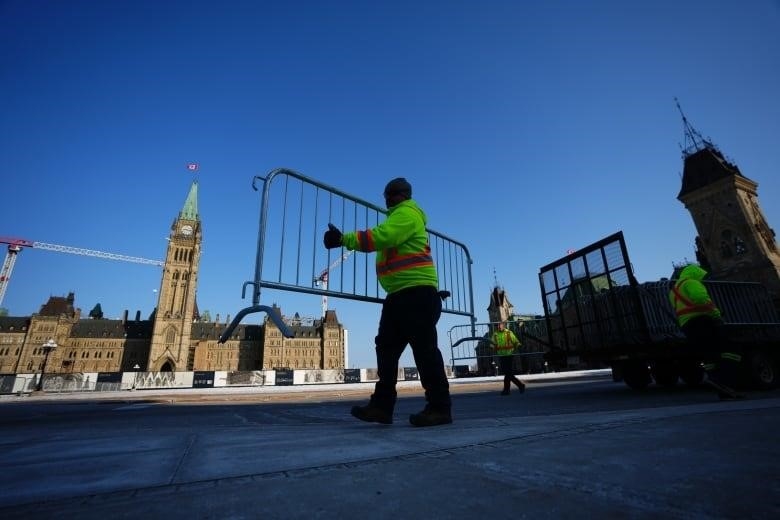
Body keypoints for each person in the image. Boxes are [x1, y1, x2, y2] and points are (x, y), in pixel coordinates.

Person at [323, 177, 452, 427]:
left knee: (424, 352)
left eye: (391, 194)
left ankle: (440, 408)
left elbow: (382, 237)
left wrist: (343, 239)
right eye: (386, 194)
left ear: (402, 195)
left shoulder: (407, 214)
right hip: (401, 295)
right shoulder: (398, 216)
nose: (387, 199)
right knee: (386, 349)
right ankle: (382, 407)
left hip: (415, 293)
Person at [668, 263, 743, 399]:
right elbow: (701, 298)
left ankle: (718, 383)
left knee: (709, 354)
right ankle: (727, 380)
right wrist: (716, 314)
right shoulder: (691, 282)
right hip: (703, 320)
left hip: (687, 325)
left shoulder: (673, 290)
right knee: (730, 350)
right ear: (696, 273)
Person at [491, 322, 525, 395]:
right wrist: (492, 347)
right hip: (501, 355)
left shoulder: (509, 333)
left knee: (507, 373)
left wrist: (519, 345)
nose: (498, 327)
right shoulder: (495, 334)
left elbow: (515, 341)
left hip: (509, 354)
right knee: (508, 373)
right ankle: (519, 386)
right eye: (497, 326)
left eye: (500, 325)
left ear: (503, 326)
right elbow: (492, 344)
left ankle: (507, 390)